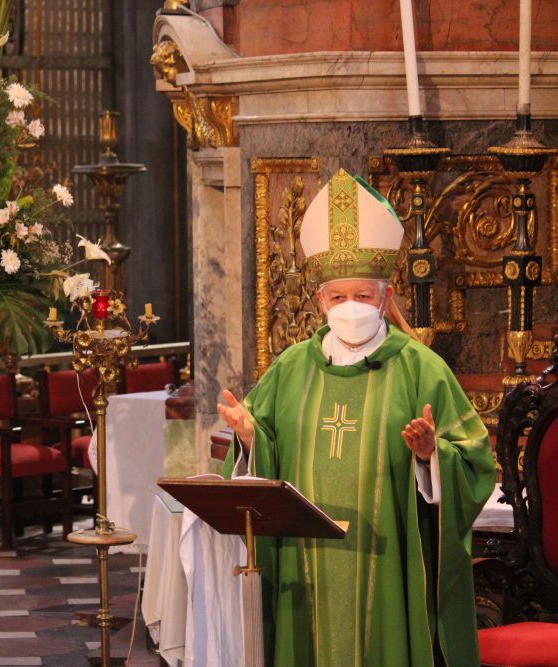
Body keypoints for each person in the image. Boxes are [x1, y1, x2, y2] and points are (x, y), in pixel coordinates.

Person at [216, 169, 495, 666]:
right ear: (320, 301)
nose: (351, 308)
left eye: (363, 297)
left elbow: (474, 464)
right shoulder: (290, 368)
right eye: (338, 297)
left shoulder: (420, 368)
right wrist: (251, 439)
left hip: (388, 567)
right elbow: (262, 472)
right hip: (304, 570)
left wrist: (431, 457)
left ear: (386, 297)